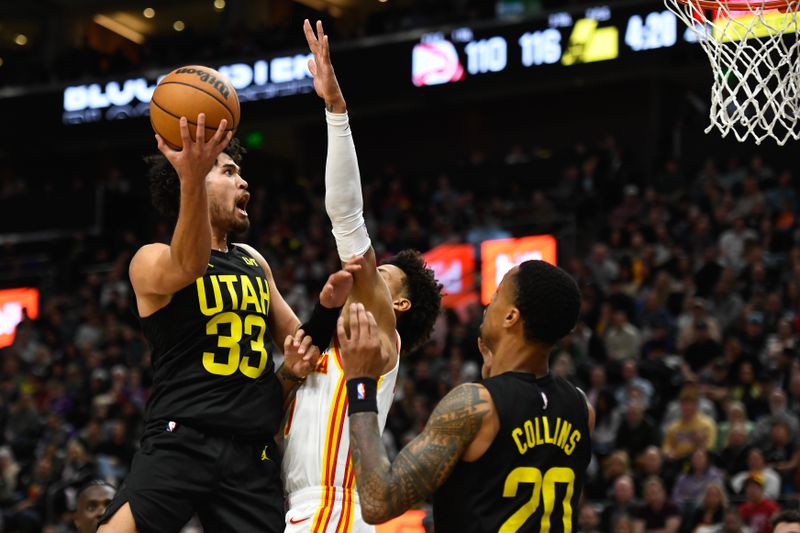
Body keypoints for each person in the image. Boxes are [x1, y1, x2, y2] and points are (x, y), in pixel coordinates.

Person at [97, 114, 357, 532]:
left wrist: (325, 312)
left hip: (250, 454)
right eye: (230, 172)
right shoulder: (149, 259)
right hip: (183, 438)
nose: (244, 183)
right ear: (195, 180)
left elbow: (301, 345)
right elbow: (188, 263)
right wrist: (191, 176)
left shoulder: (254, 261)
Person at [280, 20, 443, 532]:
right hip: (300, 511)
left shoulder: (384, 344)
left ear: (398, 307)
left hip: (338, 514)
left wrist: (336, 113)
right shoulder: (317, 348)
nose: (364, 274)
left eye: (380, 276)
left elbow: (347, 219)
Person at [337, 260, 594, 530]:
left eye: (496, 295)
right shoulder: (581, 408)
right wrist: (496, 376)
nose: (488, 304)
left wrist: (361, 381)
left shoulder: (476, 405)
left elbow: (379, 501)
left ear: (511, 317)